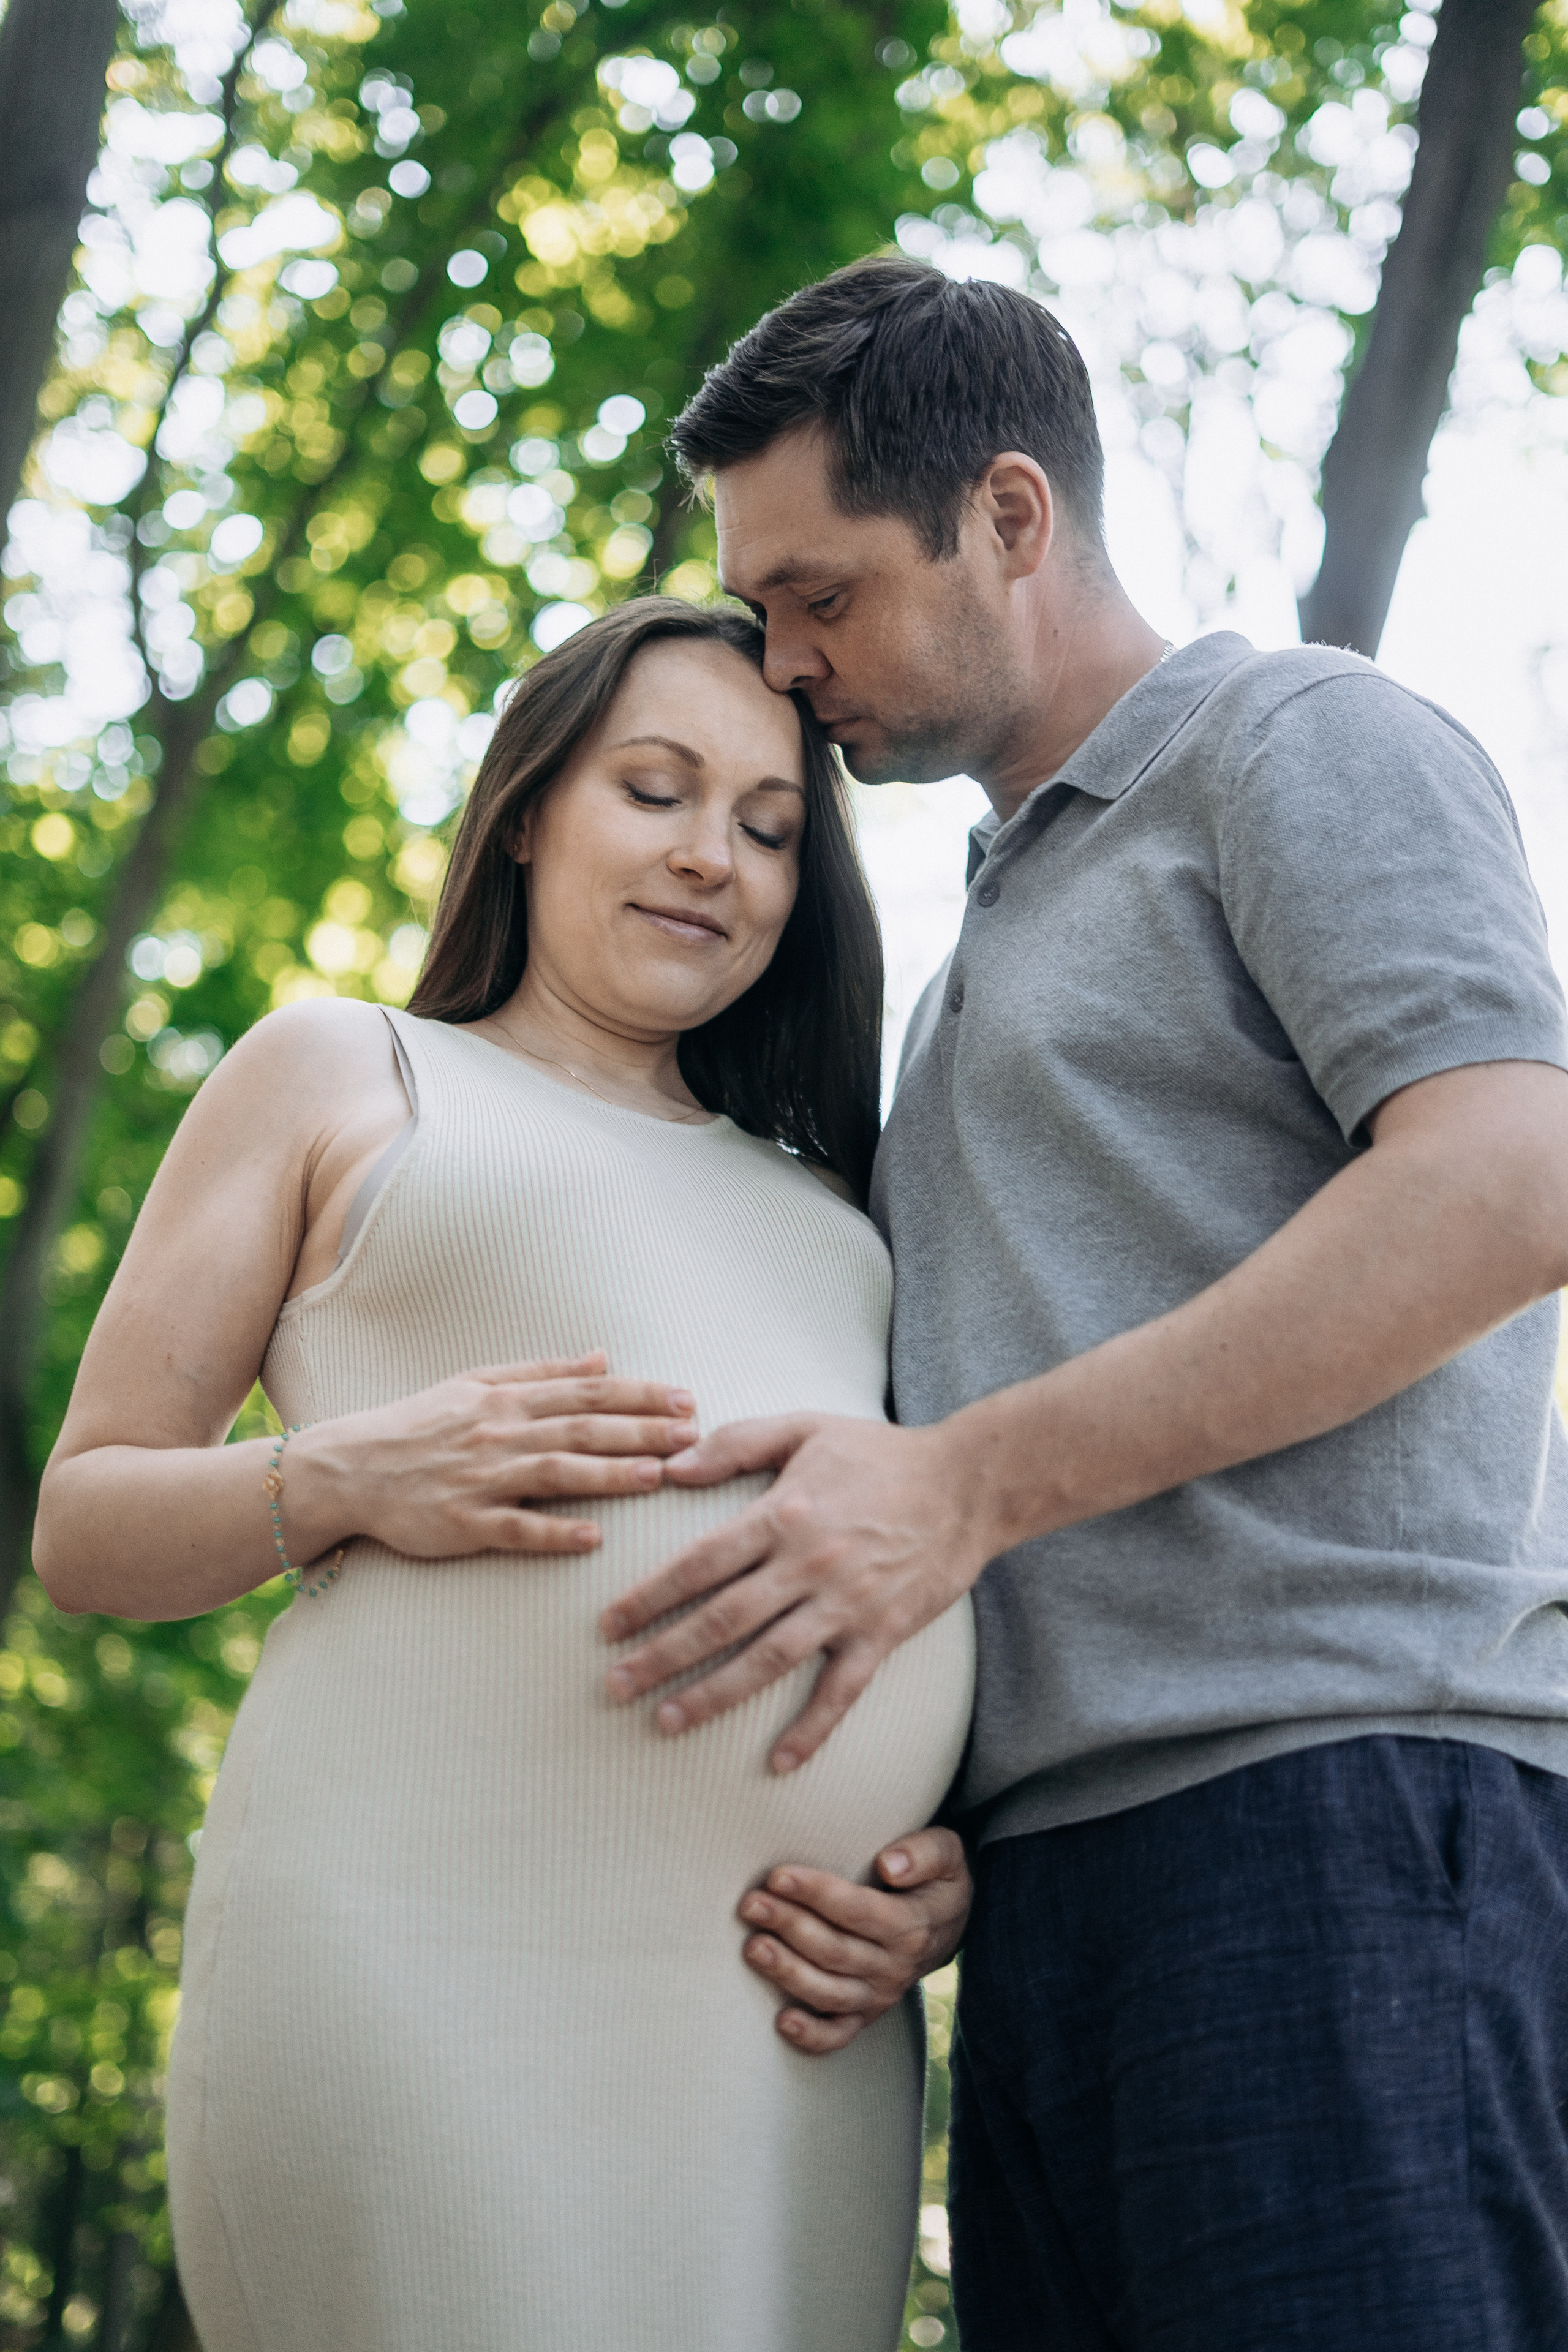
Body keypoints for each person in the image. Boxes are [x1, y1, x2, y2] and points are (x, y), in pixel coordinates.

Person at [595, 258, 1568, 2348]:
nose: (783, 660)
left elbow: (1513, 1175)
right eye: (761, 606)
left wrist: (957, 1488)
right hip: (1060, 1914)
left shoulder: (1293, 741)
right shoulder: (976, 958)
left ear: (1010, 519)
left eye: (820, 592)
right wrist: (944, 1834)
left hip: (1339, 1824)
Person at [33, 597, 976, 2352]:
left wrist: (946, 1876)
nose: (714, 859)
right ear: (533, 804)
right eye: (656, 791)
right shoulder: (348, 1073)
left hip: (783, 2043)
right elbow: (84, 1527)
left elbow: (942, 1582)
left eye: (769, 829)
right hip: (415, 1971)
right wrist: (337, 1472)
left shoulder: (847, 1223)